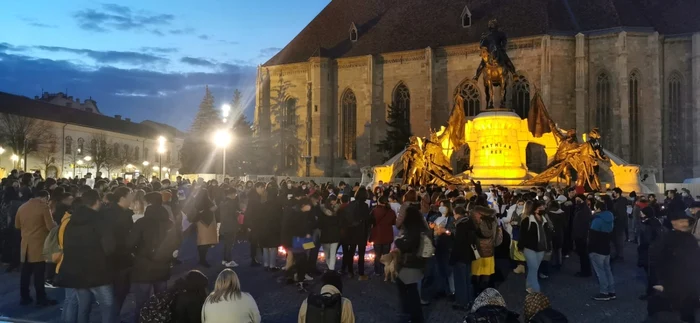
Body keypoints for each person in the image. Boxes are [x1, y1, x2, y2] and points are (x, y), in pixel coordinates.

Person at [58, 189, 115, 322]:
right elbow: (109, 247)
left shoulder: (71, 221)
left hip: (76, 270)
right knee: (108, 306)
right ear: (97, 202)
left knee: (83, 306)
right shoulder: (100, 220)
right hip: (97, 271)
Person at [127, 191, 178, 322]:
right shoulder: (169, 223)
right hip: (163, 266)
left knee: (142, 302)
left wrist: (137, 254)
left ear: (148, 203)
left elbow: (130, 243)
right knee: (161, 300)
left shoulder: (142, 222)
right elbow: (177, 241)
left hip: (143, 267)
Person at [648, 211, 700, 322]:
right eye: (681, 221)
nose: (684, 224)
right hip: (676, 282)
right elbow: (659, 260)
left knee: (684, 311)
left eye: (685, 222)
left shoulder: (687, 239)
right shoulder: (670, 238)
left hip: (683, 283)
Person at [15, 190, 57, 306]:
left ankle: (24, 297)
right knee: (39, 274)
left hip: (25, 245)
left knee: (25, 273)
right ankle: (41, 298)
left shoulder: (22, 207)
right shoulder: (43, 207)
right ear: (44, 198)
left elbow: (17, 225)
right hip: (39, 245)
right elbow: (50, 227)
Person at [102, 187, 135, 318]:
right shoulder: (122, 215)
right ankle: (113, 318)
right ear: (122, 198)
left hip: (111, 257)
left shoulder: (107, 212)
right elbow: (126, 237)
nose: (132, 199)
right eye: (130, 196)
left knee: (114, 292)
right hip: (120, 258)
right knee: (119, 291)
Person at [394, 206, 429, 323]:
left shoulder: (413, 230)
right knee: (411, 289)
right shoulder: (422, 228)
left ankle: (413, 316)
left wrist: (398, 241)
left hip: (409, 263)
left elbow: (407, 245)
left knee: (410, 291)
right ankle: (412, 315)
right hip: (417, 262)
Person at [518, 201, 550, 293]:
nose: (542, 209)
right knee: (533, 267)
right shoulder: (527, 220)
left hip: (541, 248)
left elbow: (547, 234)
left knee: (534, 268)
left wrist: (548, 246)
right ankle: (536, 289)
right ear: (534, 209)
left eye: (543, 207)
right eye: (540, 208)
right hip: (529, 248)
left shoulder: (544, 219)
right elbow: (522, 235)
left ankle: (529, 286)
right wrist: (520, 247)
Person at [340, 187, 372, 280]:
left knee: (351, 252)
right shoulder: (365, 206)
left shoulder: (350, 205)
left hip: (351, 231)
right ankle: (361, 272)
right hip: (361, 231)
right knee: (361, 253)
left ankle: (350, 271)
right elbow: (367, 219)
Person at [587, 201, 616, 301]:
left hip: (597, 248)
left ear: (598, 208)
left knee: (600, 271)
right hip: (606, 246)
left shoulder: (597, 220)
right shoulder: (610, 218)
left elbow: (592, 236)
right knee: (608, 270)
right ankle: (612, 291)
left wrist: (589, 248)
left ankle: (604, 292)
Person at [450, 206, 475, 311]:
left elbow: (458, 243)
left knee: (460, 281)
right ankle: (469, 301)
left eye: (454, 214)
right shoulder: (469, 222)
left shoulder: (460, 225)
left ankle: (462, 303)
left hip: (460, 256)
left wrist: (452, 259)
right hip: (468, 255)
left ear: (457, 214)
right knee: (467, 280)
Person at [429, 199, 456, 298]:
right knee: (438, 268)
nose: (441, 207)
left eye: (443, 205)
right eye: (440, 205)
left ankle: (452, 290)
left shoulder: (451, 219)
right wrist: (432, 226)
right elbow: (430, 221)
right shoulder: (436, 216)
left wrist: (445, 231)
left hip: (446, 245)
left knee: (448, 268)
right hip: (436, 244)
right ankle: (441, 289)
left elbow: (453, 231)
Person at [472, 205, 500, 294]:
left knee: (476, 271)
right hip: (489, 251)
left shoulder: (477, 223)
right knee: (487, 272)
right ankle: (485, 289)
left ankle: (476, 290)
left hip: (478, 251)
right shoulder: (494, 220)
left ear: (479, 214)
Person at [637, 206, 663, 300]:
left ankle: (651, 293)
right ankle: (653, 292)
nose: (640, 214)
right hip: (654, 251)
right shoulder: (656, 222)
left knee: (651, 274)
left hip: (648, 252)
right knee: (653, 273)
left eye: (642, 212)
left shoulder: (648, 224)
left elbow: (646, 240)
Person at [369, 196, 396, 277]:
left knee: (377, 254)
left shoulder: (374, 211)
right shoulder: (391, 211)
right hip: (387, 235)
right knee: (386, 254)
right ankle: (385, 270)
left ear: (378, 202)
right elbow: (394, 222)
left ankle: (377, 271)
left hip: (377, 235)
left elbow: (371, 221)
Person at [195, 188, 218, 268]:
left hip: (199, 221)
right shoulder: (207, 200)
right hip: (207, 222)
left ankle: (201, 259)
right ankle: (203, 260)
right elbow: (214, 208)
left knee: (201, 241)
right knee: (205, 242)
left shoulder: (196, 200)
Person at [318, 195, 342, 271]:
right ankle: (331, 270)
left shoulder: (322, 211)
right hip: (335, 234)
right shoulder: (338, 211)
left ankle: (330, 268)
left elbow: (320, 224)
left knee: (327, 254)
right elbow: (340, 223)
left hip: (325, 234)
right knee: (332, 254)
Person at [219, 187, 241, 268]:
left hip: (224, 225)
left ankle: (225, 260)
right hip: (231, 225)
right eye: (235, 194)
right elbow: (233, 214)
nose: (236, 195)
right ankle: (229, 260)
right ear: (231, 194)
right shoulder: (232, 203)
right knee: (230, 244)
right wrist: (238, 213)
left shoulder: (223, 202)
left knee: (226, 243)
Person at [245, 182, 266, 267]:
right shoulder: (254, 198)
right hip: (255, 223)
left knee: (256, 241)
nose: (263, 190)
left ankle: (258, 258)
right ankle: (255, 259)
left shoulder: (254, 196)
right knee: (255, 242)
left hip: (256, 222)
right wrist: (249, 225)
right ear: (257, 187)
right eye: (262, 188)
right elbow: (249, 212)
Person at [572, 194, 592, 277]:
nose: (577, 201)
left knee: (583, 254)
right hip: (579, 235)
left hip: (581, 235)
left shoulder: (584, 210)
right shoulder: (580, 208)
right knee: (582, 255)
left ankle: (585, 272)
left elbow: (584, 224)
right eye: (576, 199)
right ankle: (585, 270)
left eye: (579, 199)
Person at [611, 188, 628, 261]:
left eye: (613, 192)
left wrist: (616, 217)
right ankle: (617, 254)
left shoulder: (621, 201)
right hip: (615, 223)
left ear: (618, 193)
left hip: (619, 223)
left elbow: (621, 213)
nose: (613, 194)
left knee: (619, 240)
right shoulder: (615, 201)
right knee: (615, 240)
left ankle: (620, 256)